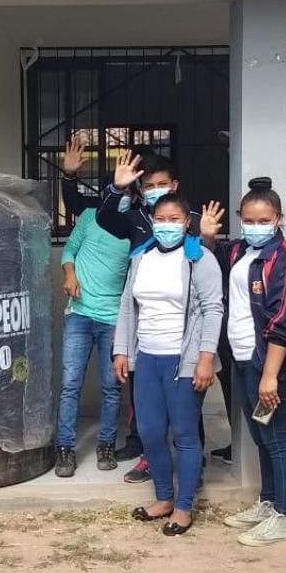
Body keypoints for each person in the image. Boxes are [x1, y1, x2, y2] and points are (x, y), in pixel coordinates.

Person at [112, 192, 222, 535]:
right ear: (152, 221)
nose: (167, 225)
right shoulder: (140, 258)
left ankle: (184, 507)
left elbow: (213, 309)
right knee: (149, 432)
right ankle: (163, 498)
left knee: (185, 435)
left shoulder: (199, 258)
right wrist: (121, 350)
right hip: (147, 358)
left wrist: (205, 358)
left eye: (175, 219)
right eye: (161, 219)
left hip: (184, 361)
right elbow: (128, 306)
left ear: (187, 223)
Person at [207, 179, 286, 547]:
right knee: (262, 436)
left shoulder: (283, 258)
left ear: (278, 219)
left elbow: (282, 319)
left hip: (269, 364)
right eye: (248, 220)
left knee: (278, 437)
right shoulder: (239, 251)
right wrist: (208, 237)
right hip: (244, 358)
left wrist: (270, 375)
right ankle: (269, 502)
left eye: (264, 220)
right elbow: (213, 265)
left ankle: (285, 516)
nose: (255, 226)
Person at [97, 149, 203, 481]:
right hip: (145, 325)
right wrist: (117, 188)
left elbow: (207, 277)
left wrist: (210, 237)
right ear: (141, 191)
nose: (156, 191)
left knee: (187, 406)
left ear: (175, 185)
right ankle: (148, 456)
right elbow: (105, 219)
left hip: (182, 329)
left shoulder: (194, 219)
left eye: (161, 184)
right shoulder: (136, 218)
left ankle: (193, 464)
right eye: (148, 186)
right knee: (146, 405)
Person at [55, 163, 131, 478]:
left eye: (127, 191)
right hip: (80, 314)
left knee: (111, 387)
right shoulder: (89, 216)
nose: (123, 196)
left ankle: (106, 444)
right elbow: (69, 251)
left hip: (113, 318)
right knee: (70, 385)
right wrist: (70, 275)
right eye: (117, 189)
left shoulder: (134, 227)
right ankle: (64, 448)